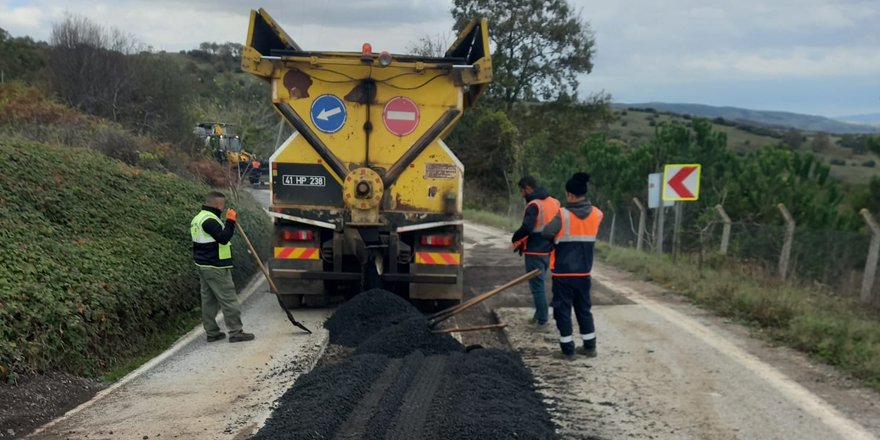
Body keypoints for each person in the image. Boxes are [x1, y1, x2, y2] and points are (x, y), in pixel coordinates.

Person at [541, 172, 603, 358]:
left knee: (563, 311)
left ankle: (568, 351)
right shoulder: (597, 214)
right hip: (584, 273)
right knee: (584, 309)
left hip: (564, 274)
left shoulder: (563, 215)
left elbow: (546, 232)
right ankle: (590, 347)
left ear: (570, 195)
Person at [190, 191, 255, 343]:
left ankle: (212, 333)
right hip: (215, 266)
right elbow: (223, 238)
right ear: (218, 204)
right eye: (223, 204)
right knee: (229, 299)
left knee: (209, 301)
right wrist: (230, 221)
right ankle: (236, 332)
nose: (224, 207)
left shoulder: (198, 218)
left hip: (203, 265)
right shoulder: (209, 220)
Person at [511, 176, 561, 327]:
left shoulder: (534, 205)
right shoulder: (554, 202)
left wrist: (515, 237)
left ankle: (542, 320)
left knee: (537, 288)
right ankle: (538, 315)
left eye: (521, 191)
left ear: (527, 189)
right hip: (548, 250)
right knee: (540, 284)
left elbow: (527, 228)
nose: (521, 195)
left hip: (534, 251)